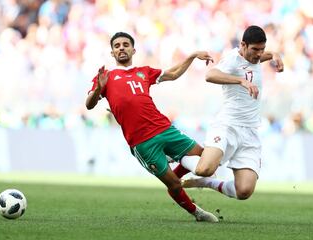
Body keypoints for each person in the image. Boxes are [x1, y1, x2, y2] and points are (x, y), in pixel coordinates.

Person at [85, 32, 219, 222]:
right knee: (173, 185)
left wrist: (191, 56)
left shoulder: (144, 72)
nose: (121, 48)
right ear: (112, 53)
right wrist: (99, 88)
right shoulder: (105, 77)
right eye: (117, 46)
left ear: (133, 49)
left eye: (125, 44)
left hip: (164, 129)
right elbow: (89, 104)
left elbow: (172, 74)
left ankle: (176, 170)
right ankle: (197, 213)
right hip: (142, 143)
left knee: (203, 158)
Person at [179, 25, 284, 201]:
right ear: (243, 45)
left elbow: (265, 55)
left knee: (244, 191)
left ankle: (208, 183)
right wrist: (240, 81)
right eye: (255, 49)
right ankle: (175, 153)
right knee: (205, 169)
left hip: (250, 131)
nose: (259, 54)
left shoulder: (256, 58)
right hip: (227, 125)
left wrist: (275, 55)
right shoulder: (232, 60)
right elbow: (210, 75)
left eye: (262, 49)